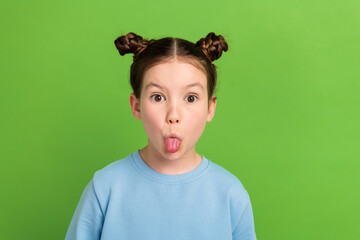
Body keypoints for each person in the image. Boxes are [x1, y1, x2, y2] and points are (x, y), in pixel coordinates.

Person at [65, 32, 256, 240]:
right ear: (136, 106)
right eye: (158, 97)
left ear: (210, 108)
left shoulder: (231, 194)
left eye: (191, 98)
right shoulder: (104, 188)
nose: (173, 115)